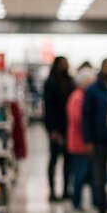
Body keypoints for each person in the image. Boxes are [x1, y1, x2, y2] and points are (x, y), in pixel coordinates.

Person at [83, 58, 107, 213]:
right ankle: (101, 206)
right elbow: (86, 116)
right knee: (99, 175)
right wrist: (88, 140)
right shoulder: (92, 90)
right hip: (98, 139)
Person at [43, 56, 74, 202]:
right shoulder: (50, 83)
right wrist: (51, 130)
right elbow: (48, 108)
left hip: (69, 127)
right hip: (56, 127)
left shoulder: (70, 81)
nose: (65, 66)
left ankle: (66, 189)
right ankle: (52, 191)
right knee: (54, 160)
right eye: (62, 64)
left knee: (68, 161)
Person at [66, 67, 96, 212]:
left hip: (83, 141)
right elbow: (78, 119)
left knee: (84, 172)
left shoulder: (84, 96)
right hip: (79, 142)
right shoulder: (78, 97)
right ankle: (76, 201)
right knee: (80, 173)